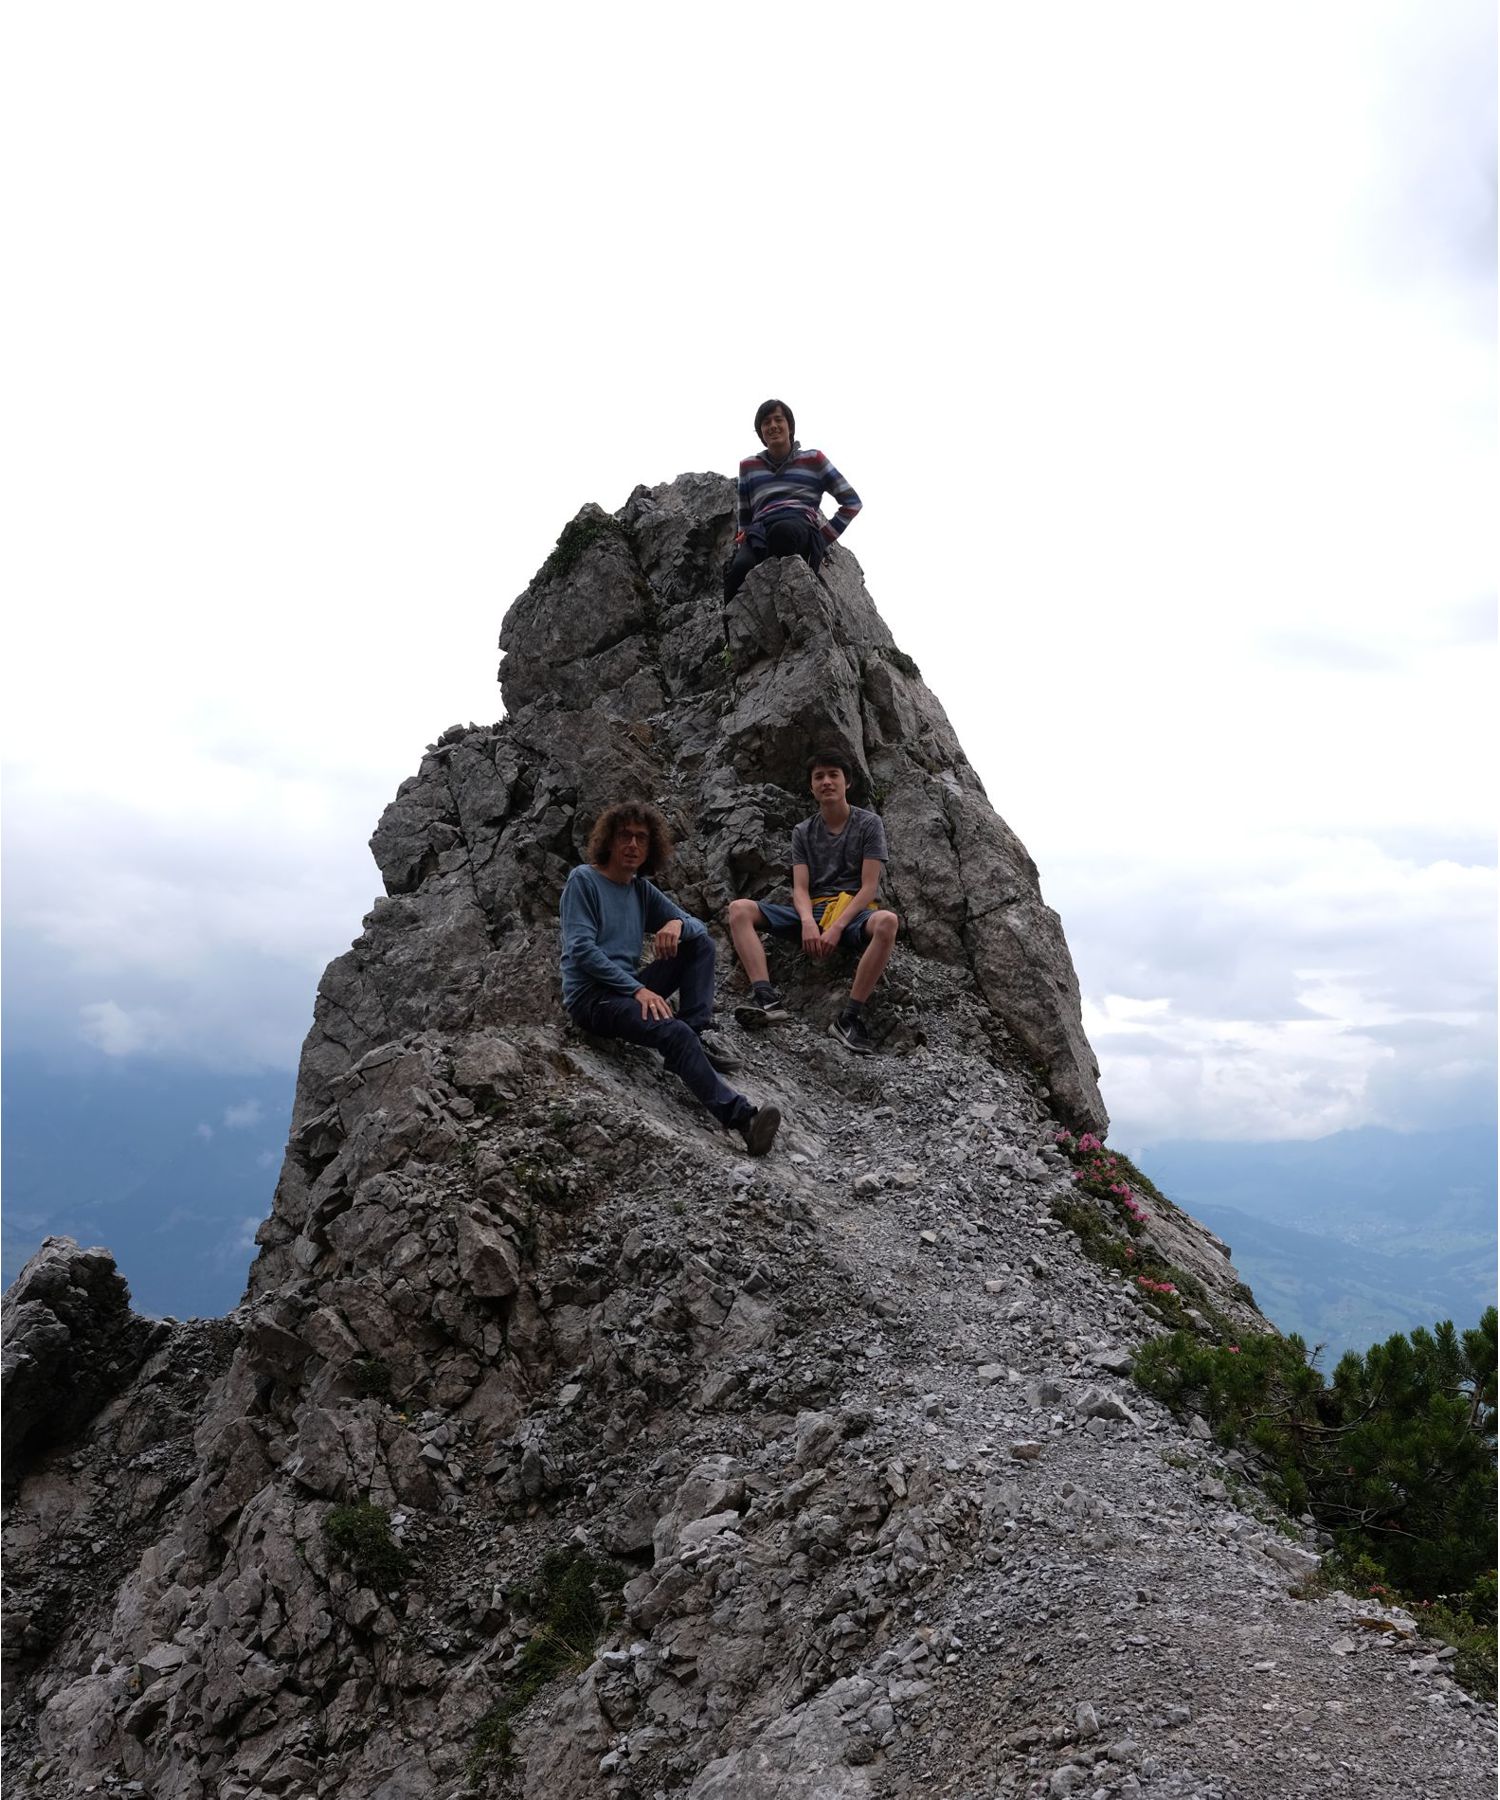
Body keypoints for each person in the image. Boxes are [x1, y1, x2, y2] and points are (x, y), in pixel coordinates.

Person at [561, 801, 781, 1155]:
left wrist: (676, 923)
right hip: (593, 999)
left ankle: (695, 1034)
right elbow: (582, 950)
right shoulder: (583, 880)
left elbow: (697, 927)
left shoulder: (640, 891)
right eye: (625, 836)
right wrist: (638, 990)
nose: (633, 845)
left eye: (641, 839)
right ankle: (744, 1121)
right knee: (671, 1031)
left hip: (627, 990)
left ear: (651, 848)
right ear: (609, 841)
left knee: (700, 945)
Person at [727, 750, 899, 1055]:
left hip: (851, 913)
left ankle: (849, 1019)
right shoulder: (803, 831)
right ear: (811, 787)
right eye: (819, 777)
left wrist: (836, 927)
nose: (826, 782)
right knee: (739, 909)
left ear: (847, 782)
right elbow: (800, 887)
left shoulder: (869, 824)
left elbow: (869, 887)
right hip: (812, 911)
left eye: (834, 775)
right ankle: (766, 998)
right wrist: (808, 922)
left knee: (887, 921)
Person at [724, 399, 862, 600]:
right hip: (760, 531)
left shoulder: (814, 459)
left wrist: (822, 539)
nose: (772, 426)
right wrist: (742, 548)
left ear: (790, 426)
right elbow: (745, 519)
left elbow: (852, 502)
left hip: (798, 524)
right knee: (738, 571)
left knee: (784, 533)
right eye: (766, 423)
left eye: (778, 419)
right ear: (761, 433)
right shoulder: (749, 467)